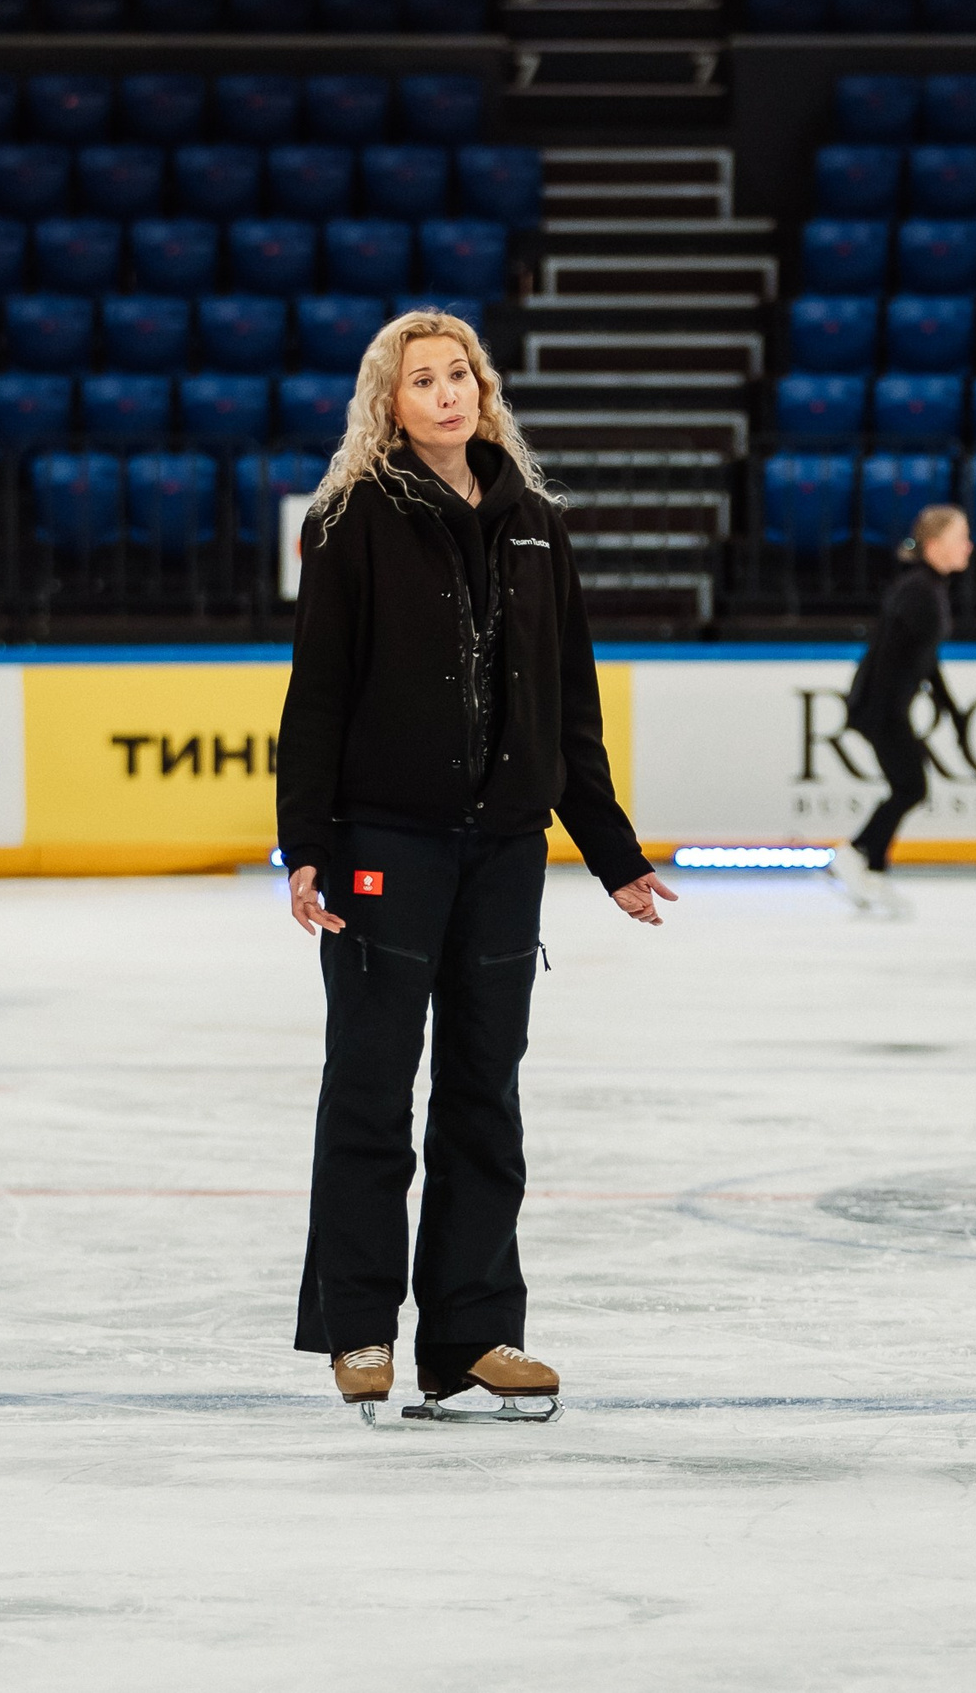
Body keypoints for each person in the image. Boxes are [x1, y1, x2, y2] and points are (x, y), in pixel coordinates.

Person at [276, 308, 677, 1424]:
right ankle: (360, 1329)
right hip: (382, 849)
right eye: (423, 382)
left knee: (482, 1097)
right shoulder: (350, 521)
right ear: (388, 405)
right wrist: (304, 842)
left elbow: (569, 710)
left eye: (461, 375)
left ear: (485, 391)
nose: (447, 394)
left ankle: (472, 1333)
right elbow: (315, 697)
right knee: (368, 1089)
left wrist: (611, 856)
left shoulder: (538, 524)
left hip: (504, 852)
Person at [828, 505, 971, 917]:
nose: (969, 547)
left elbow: (924, 658)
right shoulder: (919, 591)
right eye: (960, 538)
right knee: (911, 787)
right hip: (881, 707)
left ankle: (871, 871)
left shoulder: (927, 587)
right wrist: (892, 714)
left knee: (907, 786)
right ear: (935, 545)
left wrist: (951, 709)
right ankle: (855, 856)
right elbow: (892, 657)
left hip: (884, 706)